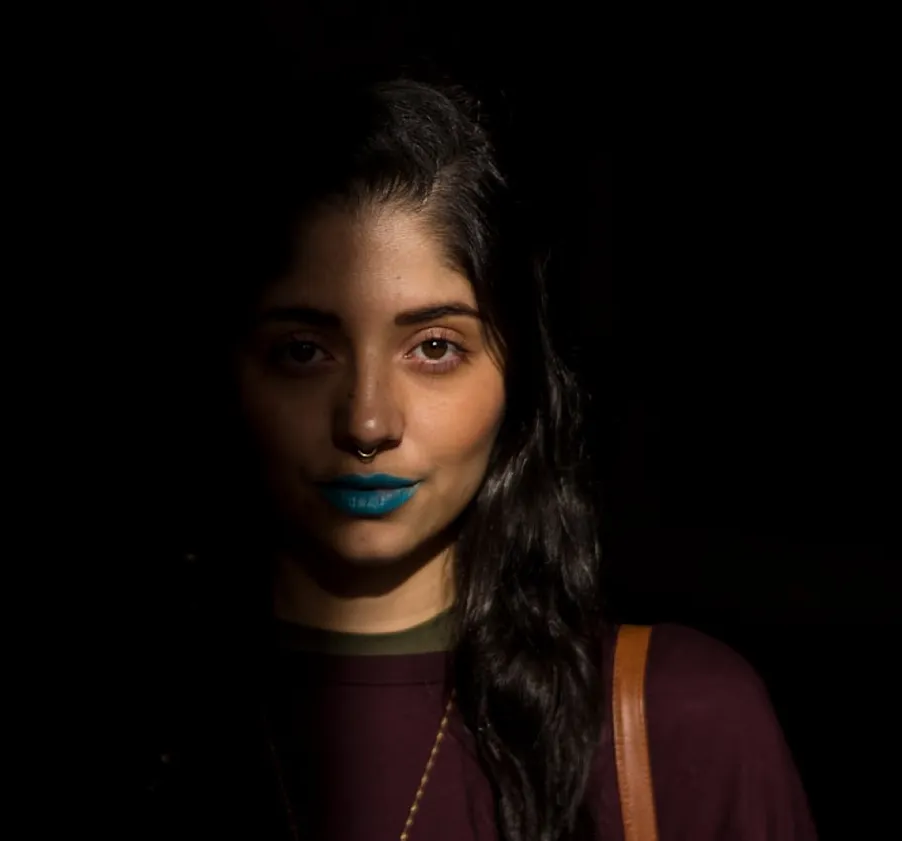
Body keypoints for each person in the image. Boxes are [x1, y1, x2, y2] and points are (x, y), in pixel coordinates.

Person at [144, 69, 817, 841]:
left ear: (518, 376)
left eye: (434, 347)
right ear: (226, 371)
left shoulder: (680, 724)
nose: (368, 421)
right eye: (304, 350)